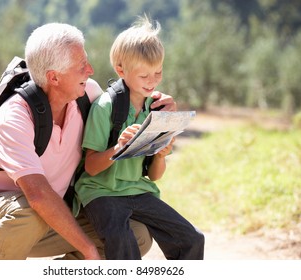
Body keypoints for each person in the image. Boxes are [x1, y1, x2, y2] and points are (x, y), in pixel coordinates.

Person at [0, 22, 177, 260]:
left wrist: (160, 104)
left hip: (44, 214)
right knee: (33, 210)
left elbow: (128, 108)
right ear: (54, 77)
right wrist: (88, 249)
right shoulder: (15, 116)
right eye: (81, 66)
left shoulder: (88, 94)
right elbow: (38, 195)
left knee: (135, 234)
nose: (90, 70)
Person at [74, 16, 205, 260]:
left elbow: (154, 175)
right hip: (101, 192)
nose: (153, 81)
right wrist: (119, 146)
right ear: (121, 70)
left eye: (158, 72)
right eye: (144, 76)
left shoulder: (156, 109)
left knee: (192, 238)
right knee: (123, 241)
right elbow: (91, 168)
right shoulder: (105, 107)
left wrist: (161, 155)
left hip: (137, 189)